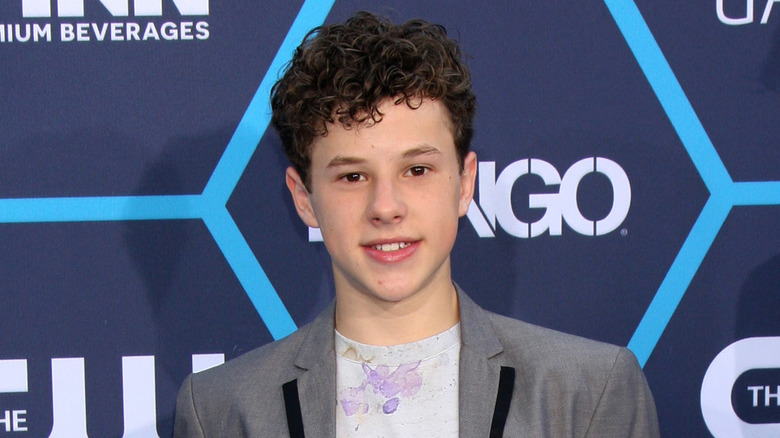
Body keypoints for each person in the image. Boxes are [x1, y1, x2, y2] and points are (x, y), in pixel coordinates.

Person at [174, 11, 660, 437]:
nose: (386, 207)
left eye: (417, 170)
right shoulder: (222, 411)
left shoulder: (586, 392)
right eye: (352, 176)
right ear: (304, 198)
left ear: (465, 182)